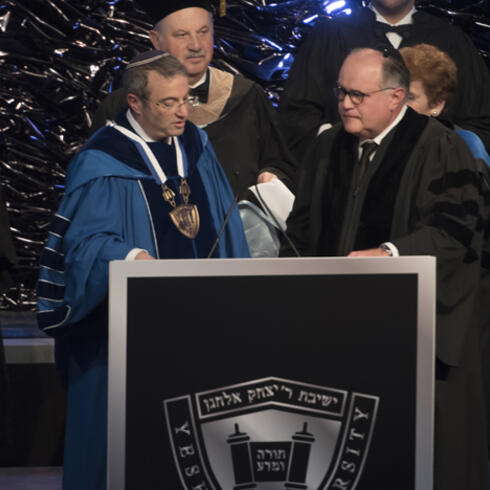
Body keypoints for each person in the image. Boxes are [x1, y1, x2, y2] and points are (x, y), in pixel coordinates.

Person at [37, 51, 249, 490]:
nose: (182, 112)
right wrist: (133, 258)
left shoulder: (195, 145)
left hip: (194, 324)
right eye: (168, 103)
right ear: (135, 102)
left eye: (186, 99)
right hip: (122, 332)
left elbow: (224, 224)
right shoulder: (103, 162)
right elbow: (84, 248)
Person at [281, 47, 490, 490]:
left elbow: (456, 232)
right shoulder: (328, 146)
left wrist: (390, 253)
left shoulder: (441, 147)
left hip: (413, 331)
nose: (345, 103)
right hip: (336, 329)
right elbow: (300, 229)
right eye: (341, 92)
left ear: (396, 97)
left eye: (358, 95)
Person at [91, 0, 297, 200]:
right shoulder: (124, 106)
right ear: (155, 40)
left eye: (203, 32)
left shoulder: (247, 97)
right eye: (182, 35)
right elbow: (96, 184)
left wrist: (271, 176)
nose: (196, 45)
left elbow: (281, 163)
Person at [400, 42, 490, 459]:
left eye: (411, 97)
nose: (400, 106)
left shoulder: (462, 149)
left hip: (455, 308)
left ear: (436, 105)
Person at [278, 0, 490, 161]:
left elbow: (479, 121)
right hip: (339, 183)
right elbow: (296, 115)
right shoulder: (329, 35)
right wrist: (339, 148)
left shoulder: (452, 40)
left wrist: (436, 153)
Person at [400, 43, 490, 167]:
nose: (397, 102)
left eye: (410, 97)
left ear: (436, 105)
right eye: (393, 93)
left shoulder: (466, 145)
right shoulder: (376, 135)